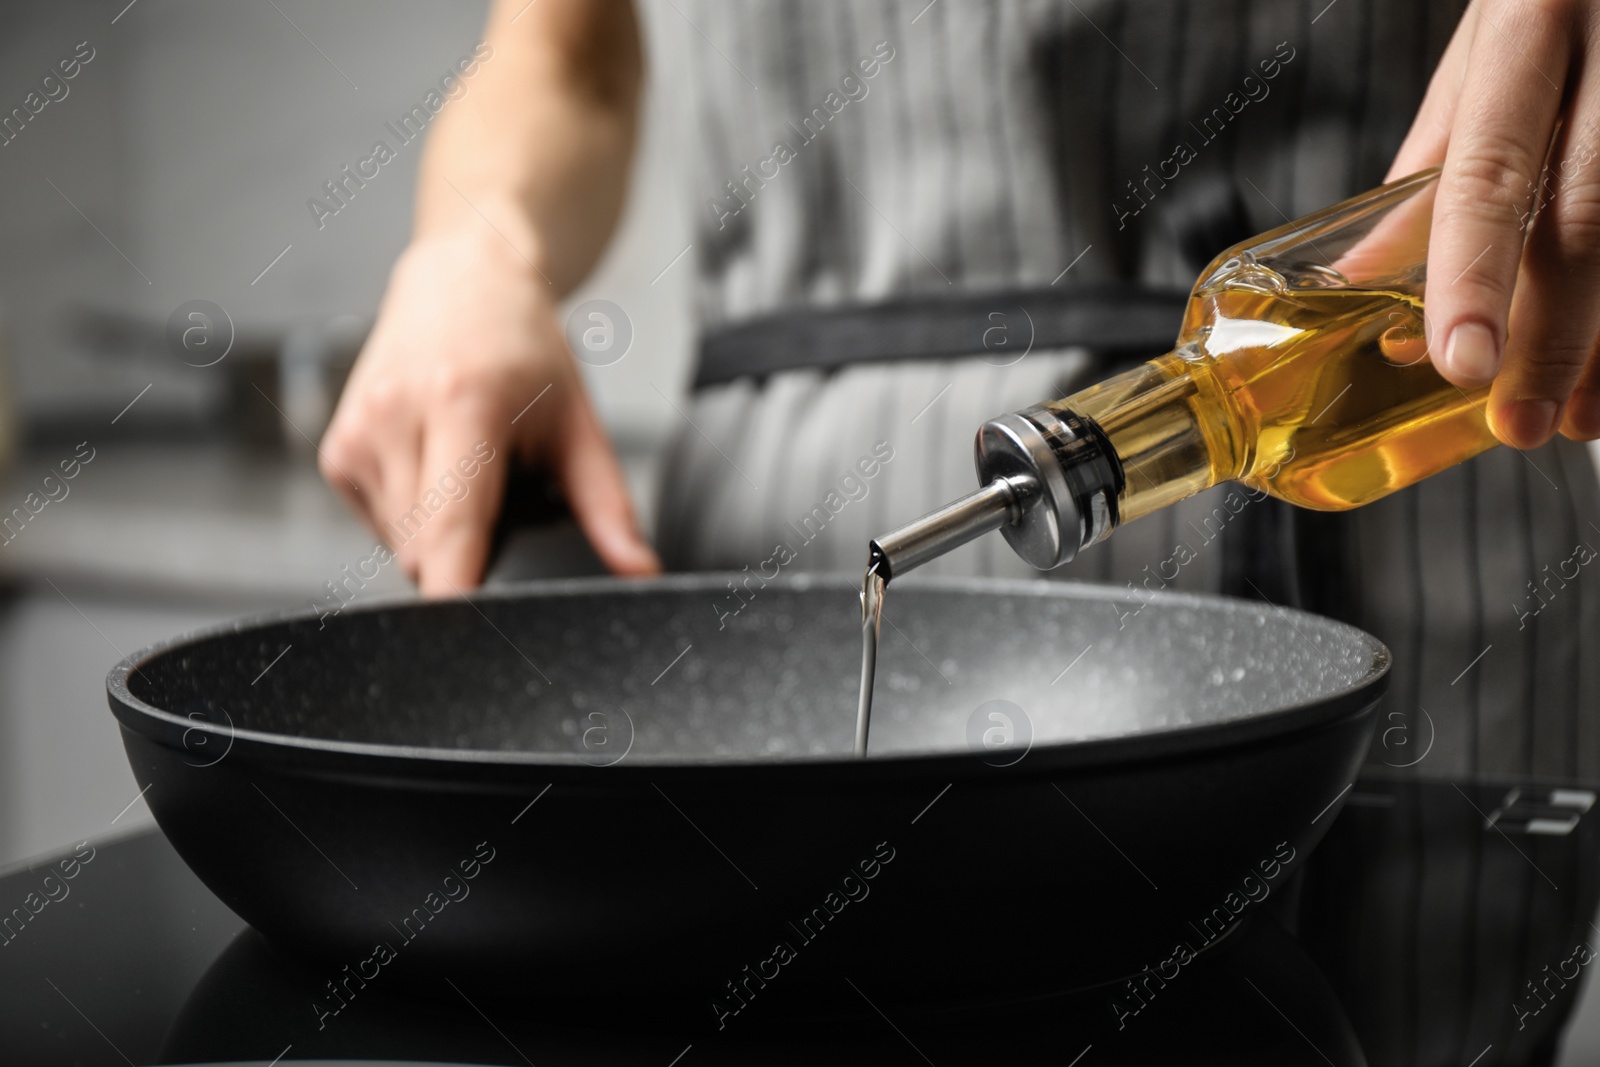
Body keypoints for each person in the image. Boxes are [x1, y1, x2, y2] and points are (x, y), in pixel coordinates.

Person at [320, 3, 1600, 1059]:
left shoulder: (1258, 343)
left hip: (1431, 511)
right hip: (776, 534)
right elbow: (563, 53)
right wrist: (472, 250)